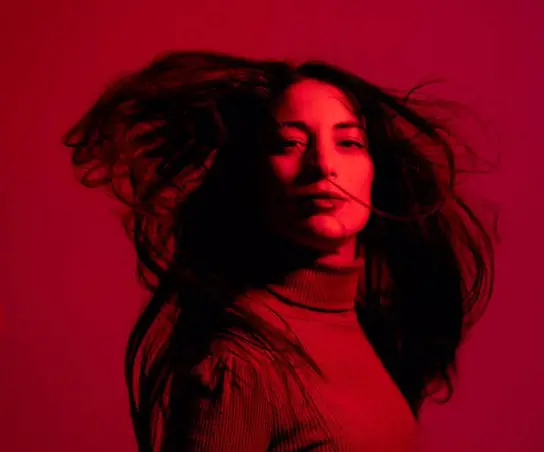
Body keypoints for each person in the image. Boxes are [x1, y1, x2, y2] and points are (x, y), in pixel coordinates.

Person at [63, 51, 497, 451]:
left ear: (375, 172)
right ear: (255, 177)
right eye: (289, 143)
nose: (322, 164)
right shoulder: (241, 366)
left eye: (348, 142)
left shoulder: (360, 326)